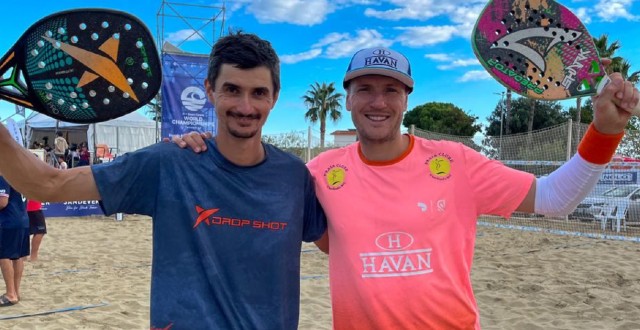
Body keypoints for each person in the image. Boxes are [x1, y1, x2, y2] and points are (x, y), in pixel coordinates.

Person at [173, 47, 639, 329]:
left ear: (406, 98)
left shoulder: (455, 163)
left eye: (391, 90)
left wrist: (605, 130)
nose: (378, 101)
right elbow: (271, 203)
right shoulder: (321, 170)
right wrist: (200, 148)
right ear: (349, 99)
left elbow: (556, 199)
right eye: (366, 89)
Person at [0, 31, 326, 328]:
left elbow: (345, 245)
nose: (245, 106)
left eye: (258, 92)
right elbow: (47, 185)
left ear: (275, 97)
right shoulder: (169, 163)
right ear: (210, 91)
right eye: (232, 90)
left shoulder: (293, 176)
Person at [0, 172, 29, 306]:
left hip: (8, 221)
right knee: (17, 257)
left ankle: (11, 294)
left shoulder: (3, 175)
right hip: (22, 219)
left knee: (4, 256)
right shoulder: (19, 176)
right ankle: (16, 292)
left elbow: (2, 202)